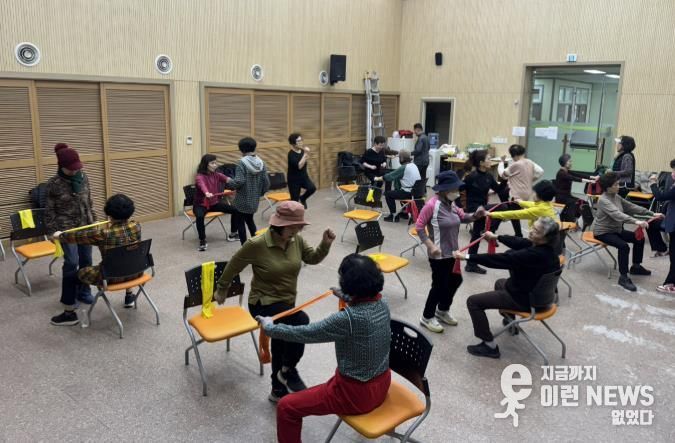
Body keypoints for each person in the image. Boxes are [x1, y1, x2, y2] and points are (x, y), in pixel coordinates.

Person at [257, 254, 391, 443]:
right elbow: (364, 303)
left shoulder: (348, 319)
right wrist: (345, 296)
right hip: (382, 386)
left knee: (286, 407)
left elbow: (306, 333)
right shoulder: (383, 304)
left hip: (355, 395)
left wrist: (270, 328)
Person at [215, 201, 336, 401]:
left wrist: (325, 243)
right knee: (301, 322)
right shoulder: (257, 244)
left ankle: (277, 389)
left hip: (286, 303)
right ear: (280, 225)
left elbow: (312, 258)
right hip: (262, 302)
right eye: (294, 226)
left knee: (281, 341)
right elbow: (233, 265)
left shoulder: (296, 240)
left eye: (299, 226)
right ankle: (288, 370)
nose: (298, 230)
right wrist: (222, 289)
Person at [454, 217, 561, 358]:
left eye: (536, 231)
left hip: (525, 300)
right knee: (500, 282)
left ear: (545, 237)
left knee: (473, 302)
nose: (531, 231)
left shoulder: (534, 255)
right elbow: (520, 242)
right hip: (542, 298)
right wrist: (496, 236)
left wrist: (467, 257)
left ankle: (489, 346)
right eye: (533, 227)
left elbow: (502, 260)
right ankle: (511, 322)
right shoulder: (549, 249)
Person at [50, 194, 141, 325]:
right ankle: (129, 297)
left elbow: (77, 237)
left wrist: (60, 235)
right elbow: (119, 234)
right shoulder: (136, 226)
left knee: (70, 276)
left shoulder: (102, 234)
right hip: (135, 272)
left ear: (108, 213)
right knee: (126, 257)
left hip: (110, 277)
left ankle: (69, 314)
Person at [416, 170, 487, 333]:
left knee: (455, 280)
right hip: (439, 255)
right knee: (439, 286)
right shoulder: (431, 205)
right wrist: (430, 246)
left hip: (454, 253)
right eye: (454, 189)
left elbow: (463, 217)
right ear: (443, 190)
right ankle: (427, 317)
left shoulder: (452, 204)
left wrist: (476, 215)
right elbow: (419, 227)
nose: (457, 192)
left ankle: (442, 310)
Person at [45, 143, 96, 321]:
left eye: (77, 167)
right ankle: (69, 298)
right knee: (71, 262)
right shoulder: (53, 184)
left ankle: (84, 291)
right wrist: (52, 232)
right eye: (71, 168)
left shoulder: (83, 177)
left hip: (85, 227)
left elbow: (89, 202)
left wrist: (93, 222)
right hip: (66, 230)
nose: (75, 170)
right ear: (61, 165)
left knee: (87, 261)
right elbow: (49, 211)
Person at [593, 172, 664, 292]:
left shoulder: (616, 197)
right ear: (608, 187)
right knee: (623, 246)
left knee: (639, 238)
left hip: (616, 230)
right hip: (603, 232)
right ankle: (623, 277)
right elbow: (617, 214)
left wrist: (652, 213)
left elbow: (631, 207)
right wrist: (636, 221)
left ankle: (636, 266)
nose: (619, 186)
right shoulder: (603, 200)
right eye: (616, 184)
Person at [463, 149, 506, 273]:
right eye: (488, 159)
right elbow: (460, 191)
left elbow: (499, 190)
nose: (490, 161)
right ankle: (488, 231)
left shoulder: (488, 176)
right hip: (473, 209)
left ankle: (470, 264)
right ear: (481, 163)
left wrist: (505, 179)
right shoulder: (471, 177)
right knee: (502, 207)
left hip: (483, 209)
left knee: (476, 236)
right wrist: (459, 207)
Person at [226, 137, 270, 244]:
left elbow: (239, 181)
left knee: (240, 223)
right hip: (254, 200)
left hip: (241, 200)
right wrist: (259, 193)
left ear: (242, 149)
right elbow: (267, 183)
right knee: (250, 221)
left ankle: (244, 247)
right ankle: (256, 245)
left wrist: (228, 180)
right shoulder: (261, 162)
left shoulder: (241, 163)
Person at [194, 154, 237, 251]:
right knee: (199, 217)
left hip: (214, 204)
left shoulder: (217, 175)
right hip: (201, 204)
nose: (215, 165)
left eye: (215, 163)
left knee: (235, 210)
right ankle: (202, 240)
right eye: (212, 163)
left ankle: (233, 234)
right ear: (206, 164)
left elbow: (229, 180)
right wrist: (206, 193)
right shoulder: (200, 176)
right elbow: (202, 185)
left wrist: (239, 184)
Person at [498, 144, 544, 236]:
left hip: (516, 195)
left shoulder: (516, 164)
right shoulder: (530, 162)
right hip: (528, 193)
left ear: (514, 155)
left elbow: (502, 174)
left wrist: (501, 162)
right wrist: (530, 179)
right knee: (504, 194)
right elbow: (540, 171)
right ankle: (506, 212)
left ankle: (518, 234)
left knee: (514, 214)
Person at [488, 180, 558, 230]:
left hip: (541, 242)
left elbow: (514, 214)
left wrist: (491, 214)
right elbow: (533, 204)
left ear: (540, 195)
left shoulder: (539, 210)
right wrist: (520, 202)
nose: (533, 194)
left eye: (535, 192)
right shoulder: (546, 204)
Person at [649, 160, 675, 293]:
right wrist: (664, 215)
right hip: (671, 220)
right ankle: (662, 248)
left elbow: (660, 197)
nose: (672, 173)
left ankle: (671, 284)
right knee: (652, 223)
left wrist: (653, 183)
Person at [377, 150, 421, 222]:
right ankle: (404, 213)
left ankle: (393, 216)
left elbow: (389, 177)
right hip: (417, 192)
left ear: (402, 158)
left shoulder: (404, 167)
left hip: (409, 193)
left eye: (399, 158)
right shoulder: (413, 165)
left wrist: (378, 178)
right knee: (399, 190)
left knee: (388, 194)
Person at [555, 154, 597, 221]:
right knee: (574, 202)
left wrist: (593, 177)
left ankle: (574, 219)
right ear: (564, 163)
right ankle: (570, 221)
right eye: (569, 161)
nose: (571, 163)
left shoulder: (567, 171)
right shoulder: (561, 173)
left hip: (567, 196)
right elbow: (574, 178)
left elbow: (578, 175)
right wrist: (589, 181)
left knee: (582, 202)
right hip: (561, 197)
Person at [287, 133, 316, 208]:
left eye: (301, 140)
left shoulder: (302, 151)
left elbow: (304, 162)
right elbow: (299, 166)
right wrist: (306, 154)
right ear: (293, 144)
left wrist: (305, 154)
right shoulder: (291, 154)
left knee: (312, 188)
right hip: (293, 180)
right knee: (294, 201)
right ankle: (293, 213)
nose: (301, 142)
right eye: (298, 141)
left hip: (304, 177)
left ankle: (302, 198)